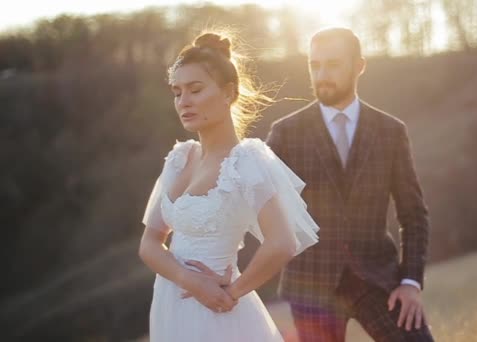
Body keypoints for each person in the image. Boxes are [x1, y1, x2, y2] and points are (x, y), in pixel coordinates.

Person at [138, 31, 319, 342]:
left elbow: (282, 242)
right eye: (177, 92)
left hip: (216, 311)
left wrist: (232, 291)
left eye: (195, 90)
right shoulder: (180, 158)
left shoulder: (245, 160)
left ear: (228, 93)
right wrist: (189, 280)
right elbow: (149, 245)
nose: (184, 101)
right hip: (171, 304)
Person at [266, 27, 435, 342]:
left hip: (378, 279)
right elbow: (257, 203)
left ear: (359, 66)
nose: (321, 74)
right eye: (314, 65)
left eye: (332, 64)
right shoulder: (285, 134)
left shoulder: (391, 132)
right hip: (311, 287)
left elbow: (413, 214)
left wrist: (411, 282)